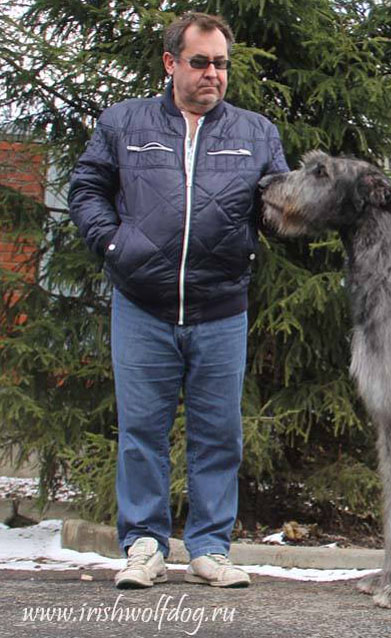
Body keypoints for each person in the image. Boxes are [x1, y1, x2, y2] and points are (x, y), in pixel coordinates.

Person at [68, 11, 288, 589]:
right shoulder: (124, 122)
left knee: (219, 434)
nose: (212, 74)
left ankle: (210, 548)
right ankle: (143, 545)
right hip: (142, 305)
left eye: (220, 64)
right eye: (200, 62)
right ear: (171, 63)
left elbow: (280, 203)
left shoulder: (256, 132)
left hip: (221, 309)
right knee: (142, 430)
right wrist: (112, 242)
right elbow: (87, 187)